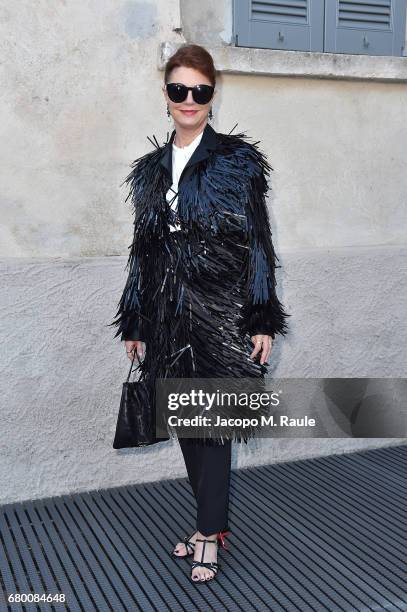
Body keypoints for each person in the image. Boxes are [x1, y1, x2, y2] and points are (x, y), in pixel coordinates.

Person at [110, 44, 289, 584]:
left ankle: (209, 533)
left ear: (212, 96)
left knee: (213, 427)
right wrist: (136, 319)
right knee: (187, 419)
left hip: (223, 310)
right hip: (167, 313)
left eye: (200, 91)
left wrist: (261, 316)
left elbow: (259, 241)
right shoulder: (149, 172)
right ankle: (210, 522)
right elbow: (142, 250)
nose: (189, 100)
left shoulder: (237, 161)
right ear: (165, 96)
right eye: (179, 90)